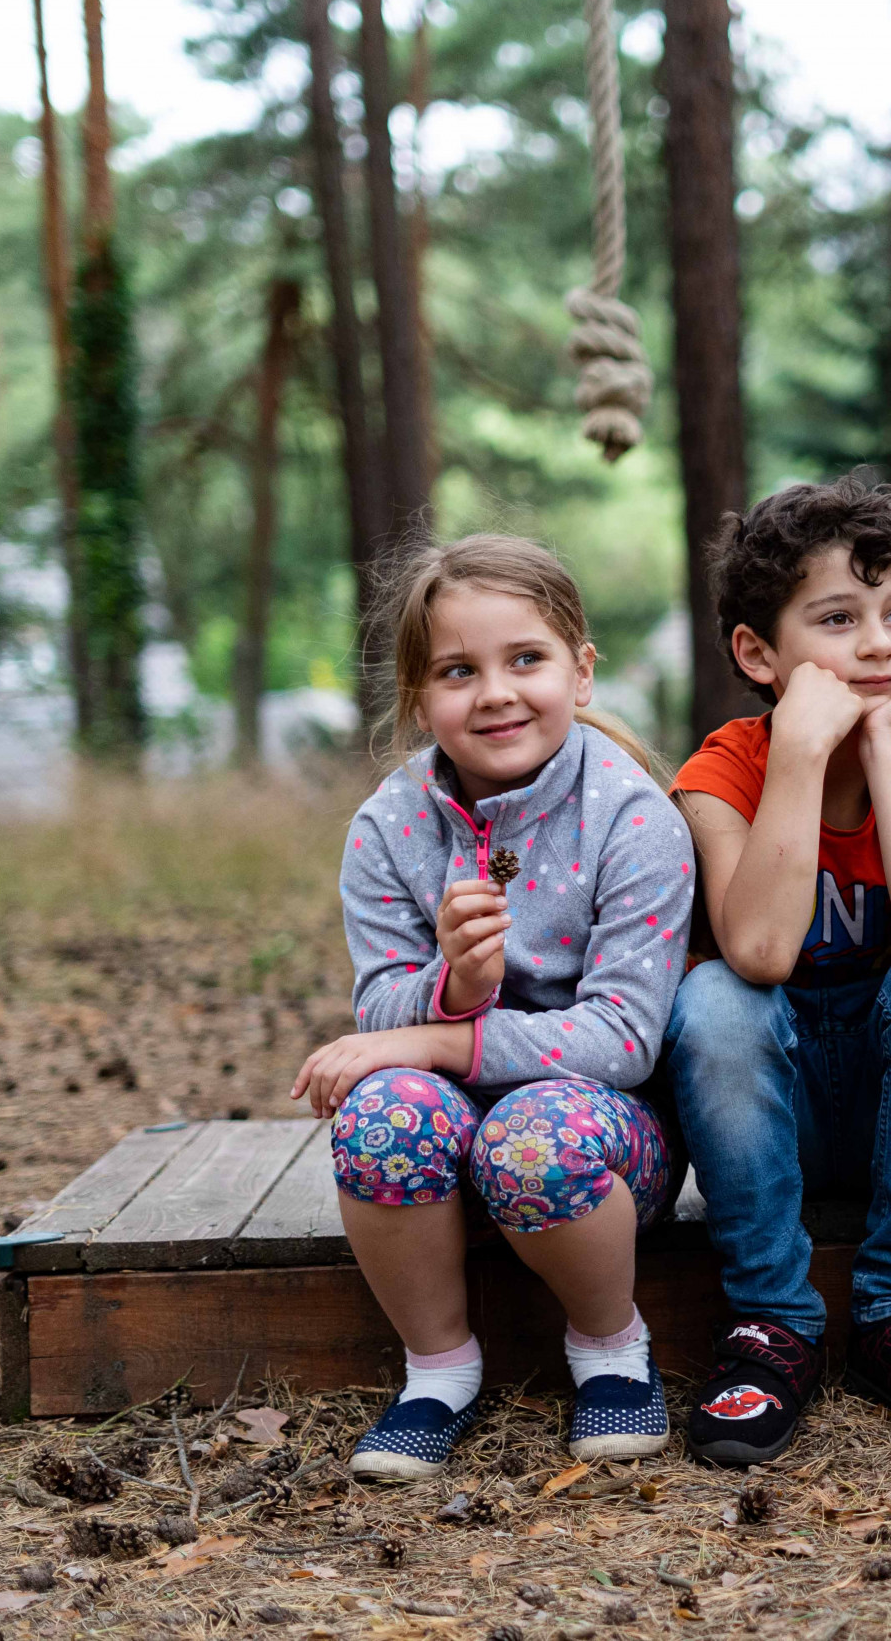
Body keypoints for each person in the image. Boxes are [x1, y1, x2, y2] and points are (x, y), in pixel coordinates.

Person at [292, 534, 692, 1479]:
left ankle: (609, 1349)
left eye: (527, 659)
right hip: (453, 1121)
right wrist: (452, 986)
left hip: (604, 1138)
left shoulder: (634, 819)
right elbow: (382, 997)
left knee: (529, 1130)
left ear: (581, 671)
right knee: (381, 1114)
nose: (496, 692)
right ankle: (437, 1369)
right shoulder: (390, 827)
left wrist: (440, 1034)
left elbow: (624, 1038)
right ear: (419, 698)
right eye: (457, 671)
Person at [666, 476, 891, 1467]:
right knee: (718, 996)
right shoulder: (721, 773)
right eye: (837, 617)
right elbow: (762, 949)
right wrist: (803, 757)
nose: (877, 642)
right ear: (757, 653)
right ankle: (772, 1319)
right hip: (763, 1111)